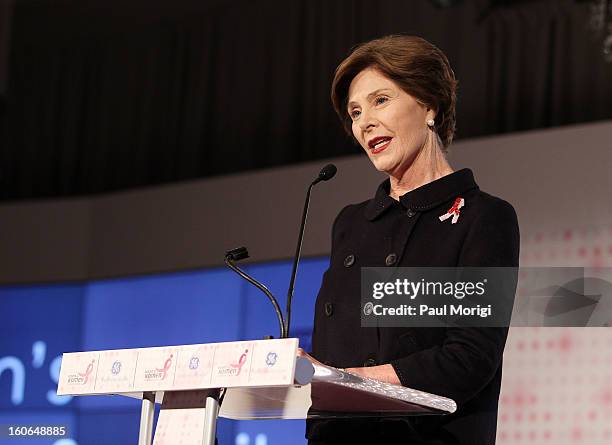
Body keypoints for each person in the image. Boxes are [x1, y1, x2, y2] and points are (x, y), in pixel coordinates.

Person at [298, 35, 520, 444]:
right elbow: (337, 351)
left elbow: (469, 357)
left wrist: (347, 382)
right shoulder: (350, 224)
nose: (363, 122)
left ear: (429, 105)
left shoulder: (483, 216)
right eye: (354, 112)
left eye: (380, 100)